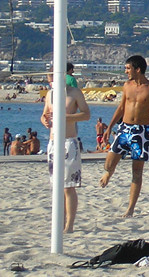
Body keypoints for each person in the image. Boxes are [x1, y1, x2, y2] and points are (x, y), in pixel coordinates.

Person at [99, 55, 149, 218]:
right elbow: (121, 107)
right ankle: (109, 172)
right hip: (124, 129)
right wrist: (110, 127)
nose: (125, 71)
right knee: (109, 162)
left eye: (128, 68)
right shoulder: (127, 86)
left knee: (136, 172)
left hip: (141, 132)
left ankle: (130, 209)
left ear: (138, 69)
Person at [41, 78, 91, 232]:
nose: (52, 83)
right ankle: (59, 223)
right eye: (50, 81)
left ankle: (69, 225)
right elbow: (45, 114)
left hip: (69, 141)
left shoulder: (74, 93)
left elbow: (86, 114)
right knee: (56, 186)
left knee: (68, 186)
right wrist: (44, 120)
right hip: (53, 142)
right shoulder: (50, 94)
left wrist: (66, 117)